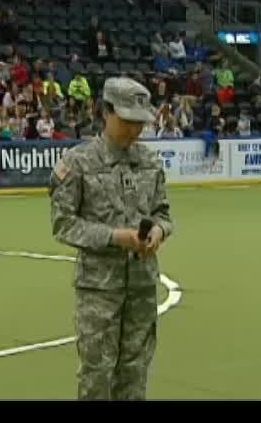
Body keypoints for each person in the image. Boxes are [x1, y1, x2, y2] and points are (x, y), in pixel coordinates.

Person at [49, 77, 174, 401]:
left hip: (142, 286)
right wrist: (115, 237)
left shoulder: (150, 162)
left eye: (140, 123)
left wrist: (158, 231)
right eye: (127, 121)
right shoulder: (78, 164)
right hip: (99, 291)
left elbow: (163, 213)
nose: (135, 130)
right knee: (97, 374)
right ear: (105, 112)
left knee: (135, 371)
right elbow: (63, 224)